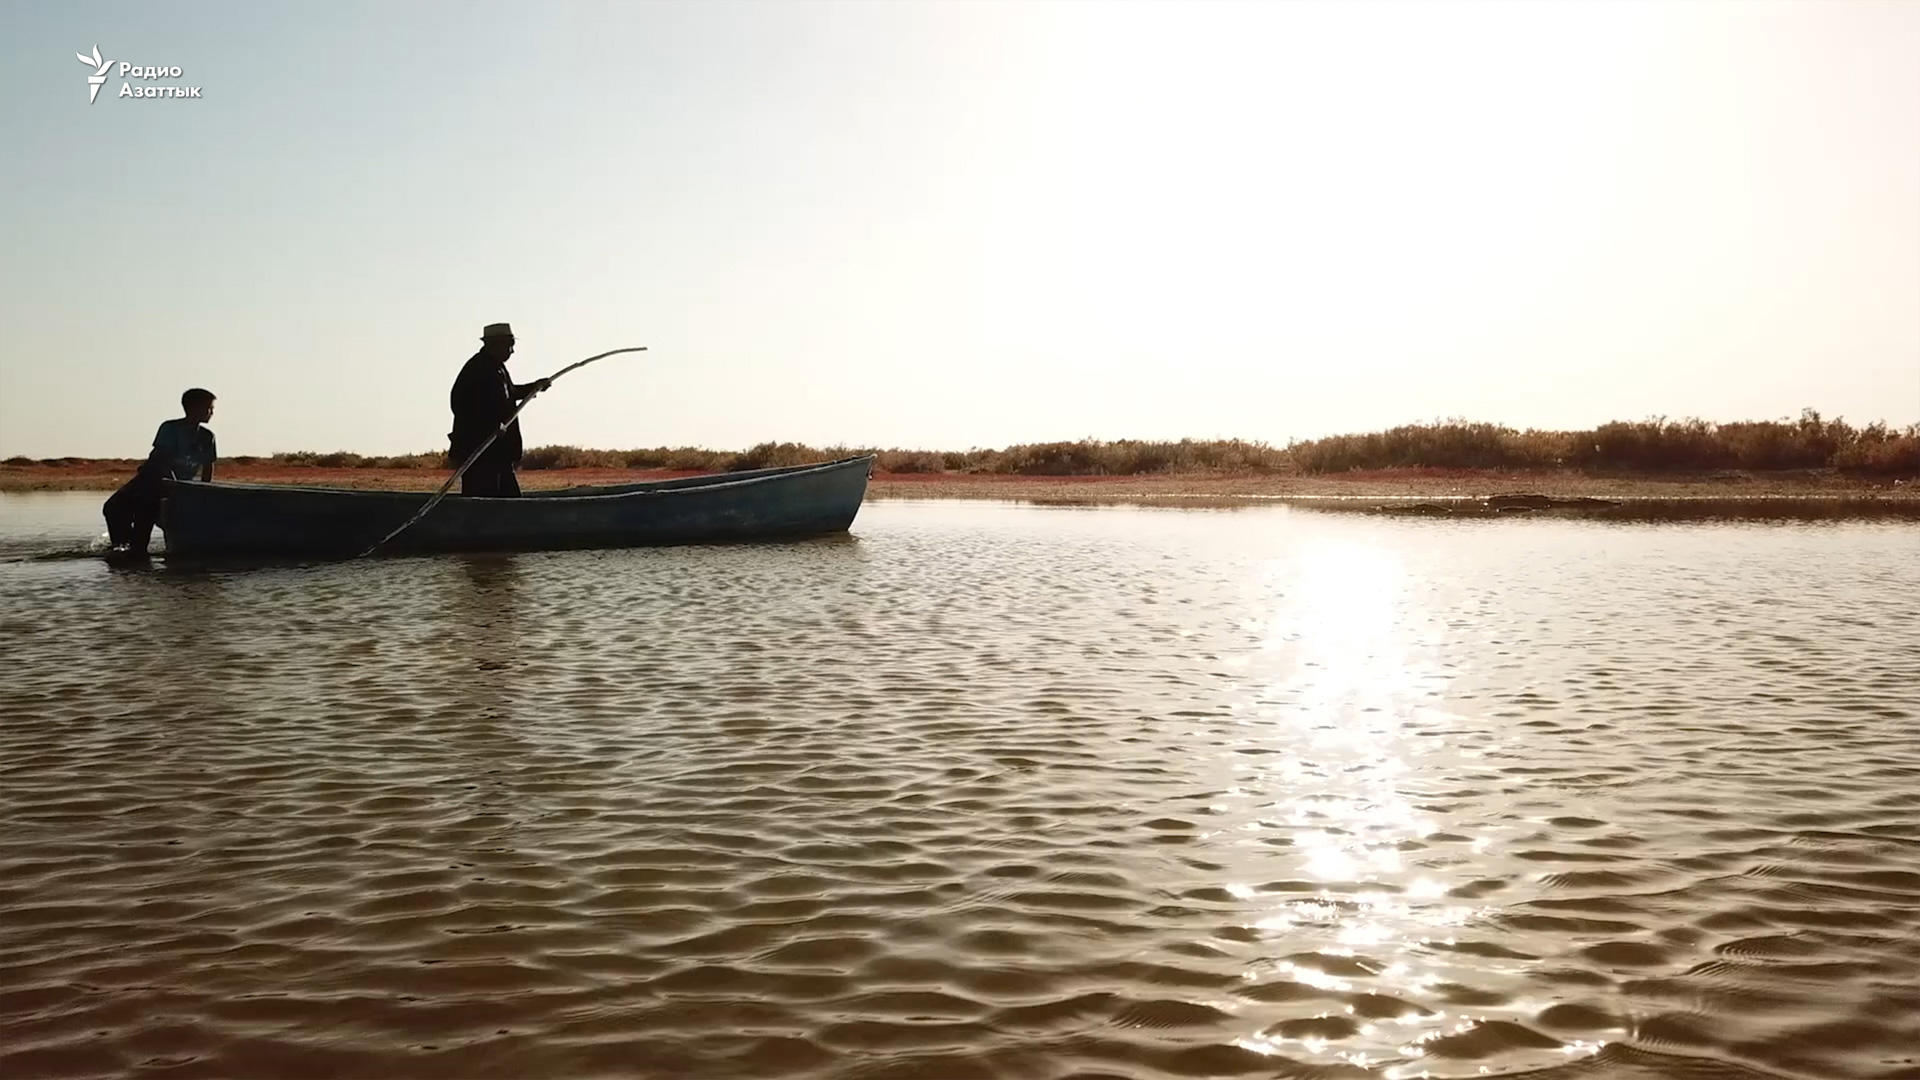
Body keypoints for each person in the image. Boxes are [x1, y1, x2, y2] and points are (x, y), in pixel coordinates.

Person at [103, 387, 217, 557]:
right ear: (193, 408)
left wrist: (203, 492)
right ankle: (123, 549)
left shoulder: (207, 436)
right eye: (209, 408)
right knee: (113, 508)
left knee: (144, 520)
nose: (212, 413)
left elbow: (208, 466)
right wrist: (172, 485)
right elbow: (161, 460)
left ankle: (133, 552)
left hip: (176, 486)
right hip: (150, 480)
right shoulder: (170, 428)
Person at [448, 322, 549, 497]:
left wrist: (535, 387)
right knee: (483, 502)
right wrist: (489, 427)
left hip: (499, 453)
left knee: (510, 502)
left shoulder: (497, 368)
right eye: (510, 346)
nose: (512, 351)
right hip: (481, 453)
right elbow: (459, 403)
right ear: (496, 344)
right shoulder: (476, 368)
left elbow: (510, 393)